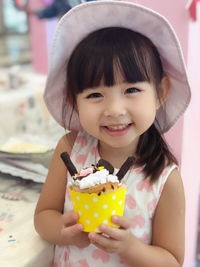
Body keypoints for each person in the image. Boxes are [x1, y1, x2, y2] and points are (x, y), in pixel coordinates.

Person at [34, 1, 191, 266]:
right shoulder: (70, 148)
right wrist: (64, 231)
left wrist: (129, 247)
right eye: (95, 94)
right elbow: (43, 216)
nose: (115, 110)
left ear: (161, 92)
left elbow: (172, 261)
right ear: (74, 101)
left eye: (131, 90)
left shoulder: (165, 179)